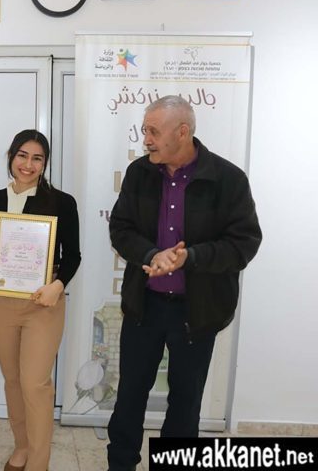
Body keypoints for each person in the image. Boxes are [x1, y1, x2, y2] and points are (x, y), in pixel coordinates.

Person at [106, 96, 262, 471]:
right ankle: (120, 465)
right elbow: (121, 229)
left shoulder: (228, 179)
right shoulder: (139, 173)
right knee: (129, 395)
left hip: (197, 312)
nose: (146, 139)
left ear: (182, 132)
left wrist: (189, 257)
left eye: (153, 131)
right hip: (144, 307)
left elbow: (243, 244)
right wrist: (151, 254)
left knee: (185, 403)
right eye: (144, 130)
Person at [0, 130, 81, 471]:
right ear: (11, 157)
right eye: (22, 155)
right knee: (13, 380)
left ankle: (39, 463)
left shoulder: (62, 202)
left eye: (37, 158)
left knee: (34, 384)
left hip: (43, 301)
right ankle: (21, 447)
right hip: (1, 300)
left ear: (45, 163)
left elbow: (73, 256)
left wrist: (58, 284)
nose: (28, 164)